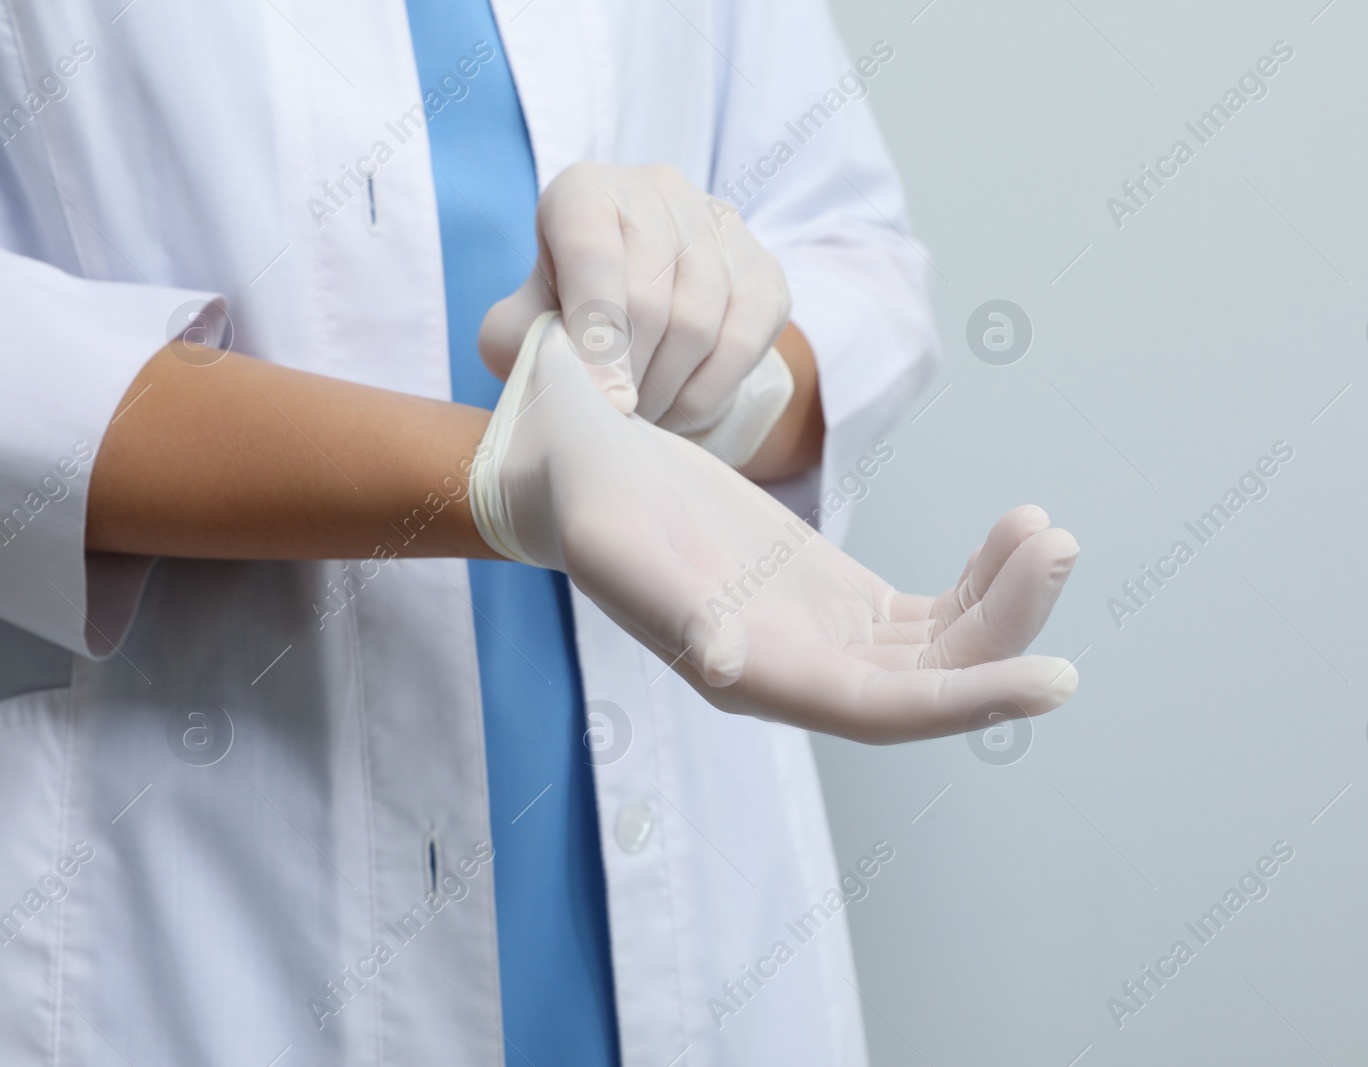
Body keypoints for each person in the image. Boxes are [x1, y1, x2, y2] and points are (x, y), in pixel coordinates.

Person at [0, 1, 1079, 1064]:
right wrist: (490, 474)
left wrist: (717, 380)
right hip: (192, 883)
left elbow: (857, 254)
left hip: (694, 879)